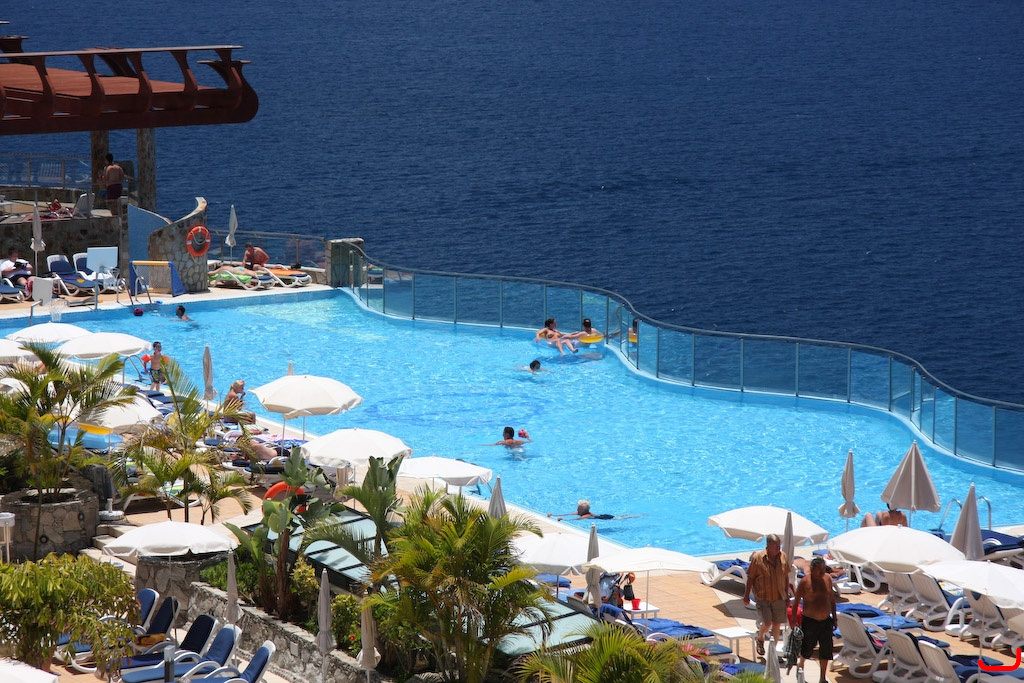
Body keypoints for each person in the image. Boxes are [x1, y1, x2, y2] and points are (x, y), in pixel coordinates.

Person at [790, 556, 837, 683]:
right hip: (810, 621)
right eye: (819, 570)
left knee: (826, 650)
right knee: (807, 649)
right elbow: (796, 602)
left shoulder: (827, 578)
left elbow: (832, 599)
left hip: (826, 621)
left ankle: (822, 678)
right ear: (812, 569)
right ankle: (801, 666)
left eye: (823, 569)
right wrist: (793, 619)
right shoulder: (805, 582)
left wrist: (835, 617)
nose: (822, 572)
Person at [744, 533, 791, 657]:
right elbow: (751, 578)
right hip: (763, 597)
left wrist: (786, 595)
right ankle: (760, 638)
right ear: (768, 545)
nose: (778, 547)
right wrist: (746, 595)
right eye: (775, 545)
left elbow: (786, 577)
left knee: (777, 624)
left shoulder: (783, 557)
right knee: (767, 623)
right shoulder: (758, 558)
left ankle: (772, 651)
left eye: (779, 545)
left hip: (779, 596)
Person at [101, 153, 125, 218]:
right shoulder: (118, 167)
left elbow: (106, 178)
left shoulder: (108, 168)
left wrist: (102, 178)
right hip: (118, 186)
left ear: (106, 160)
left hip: (111, 186)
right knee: (118, 202)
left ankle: (114, 216)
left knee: (111, 202)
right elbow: (122, 176)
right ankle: (119, 215)